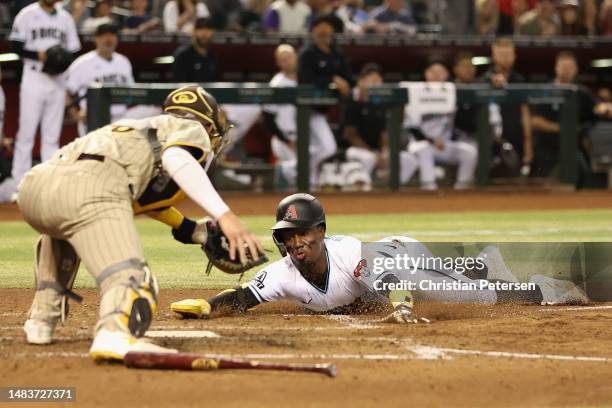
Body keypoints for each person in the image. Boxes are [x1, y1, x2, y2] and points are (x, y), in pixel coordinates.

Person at [17, 85, 264, 361]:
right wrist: (224, 216)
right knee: (132, 277)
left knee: (65, 228)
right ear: (208, 124)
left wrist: (192, 230)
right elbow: (175, 157)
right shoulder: (193, 129)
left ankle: (41, 320)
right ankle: (115, 333)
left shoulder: (140, 129)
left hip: (35, 187)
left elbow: (145, 198)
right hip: (92, 185)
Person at [171, 193, 588, 321]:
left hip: (397, 256)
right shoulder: (281, 273)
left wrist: (403, 310)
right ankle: (483, 262)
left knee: (464, 296)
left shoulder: (349, 252)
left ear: (320, 232)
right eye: (287, 237)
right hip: (386, 263)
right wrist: (207, 305)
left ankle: (545, 289)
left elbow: (395, 285)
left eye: (303, 235)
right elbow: (243, 298)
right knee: (451, 280)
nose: (296, 244)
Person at [0, 0, 81, 203]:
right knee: (26, 133)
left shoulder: (65, 17)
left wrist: (60, 59)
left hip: (57, 79)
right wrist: (38, 54)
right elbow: (16, 45)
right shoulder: (27, 14)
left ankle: (49, 183)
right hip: (34, 76)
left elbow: (73, 49)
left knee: (51, 135)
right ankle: (19, 185)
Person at [530, 51, 612, 177]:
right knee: (545, 184)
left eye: (570, 67)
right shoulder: (545, 91)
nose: (567, 71)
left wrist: (606, 108)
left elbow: (598, 107)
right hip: (547, 149)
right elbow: (535, 121)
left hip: (573, 147)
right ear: (556, 68)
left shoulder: (581, 92)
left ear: (576, 69)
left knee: (580, 179)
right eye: (563, 67)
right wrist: (563, 129)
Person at [400, 62, 478, 190]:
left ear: (446, 75)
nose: (436, 75)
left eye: (440, 72)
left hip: (444, 144)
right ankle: (429, 187)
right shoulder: (415, 92)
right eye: (433, 72)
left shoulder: (452, 91)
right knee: (424, 149)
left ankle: (462, 189)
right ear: (426, 74)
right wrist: (431, 140)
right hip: (420, 144)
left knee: (470, 153)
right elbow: (411, 128)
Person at [298, 14, 352, 185]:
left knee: (324, 149)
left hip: (321, 112)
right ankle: (300, 174)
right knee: (327, 148)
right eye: (321, 27)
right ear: (314, 30)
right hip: (304, 111)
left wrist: (346, 82)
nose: (325, 31)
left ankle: (308, 180)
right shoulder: (307, 53)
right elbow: (306, 80)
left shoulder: (336, 52)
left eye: (328, 28)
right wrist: (331, 80)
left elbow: (348, 77)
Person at [66, 23, 134, 137]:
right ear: (96, 39)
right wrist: (76, 115)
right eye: (104, 35)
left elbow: (132, 92)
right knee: (94, 154)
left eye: (112, 35)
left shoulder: (124, 61)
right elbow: (67, 92)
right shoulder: (82, 63)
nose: (108, 39)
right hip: (95, 120)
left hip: (120, 119)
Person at [481, 37, 533, 170]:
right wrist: (492, 84)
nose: (506, 58)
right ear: (494, 56)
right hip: (490, 139)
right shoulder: (484, 80)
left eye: (509, 54)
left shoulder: (519, 80)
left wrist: (528, 142)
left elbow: (525, 111)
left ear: (514, 56)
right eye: (501, 54)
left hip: (516, 135)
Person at [342, 63, 389, 184]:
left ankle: (388, 189)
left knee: (406, 160)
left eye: (378, 80)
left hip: (375, 150)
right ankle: (364, 190)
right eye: (372, 80)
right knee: (369, 158)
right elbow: (350, 135)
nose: (375, 84)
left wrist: (384, 151)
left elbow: (383, 132)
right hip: (353, 150)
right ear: (361, 82)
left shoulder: (380, 104)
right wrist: (374, 153)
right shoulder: (352, 102)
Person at [172, 17, 218, 82]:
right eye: (200, 28)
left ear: (213, 32)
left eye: (208, 29)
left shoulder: (214, 56)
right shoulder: (183, 55)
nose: (204, 33)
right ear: (193, 31)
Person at [452, 52, 479, 145]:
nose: (468, 69)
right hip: (452, 137)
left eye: (471, 66)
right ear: (455, 69)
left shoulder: (480, 88)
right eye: (464, 66)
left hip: (477, 135)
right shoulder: (449, 89)